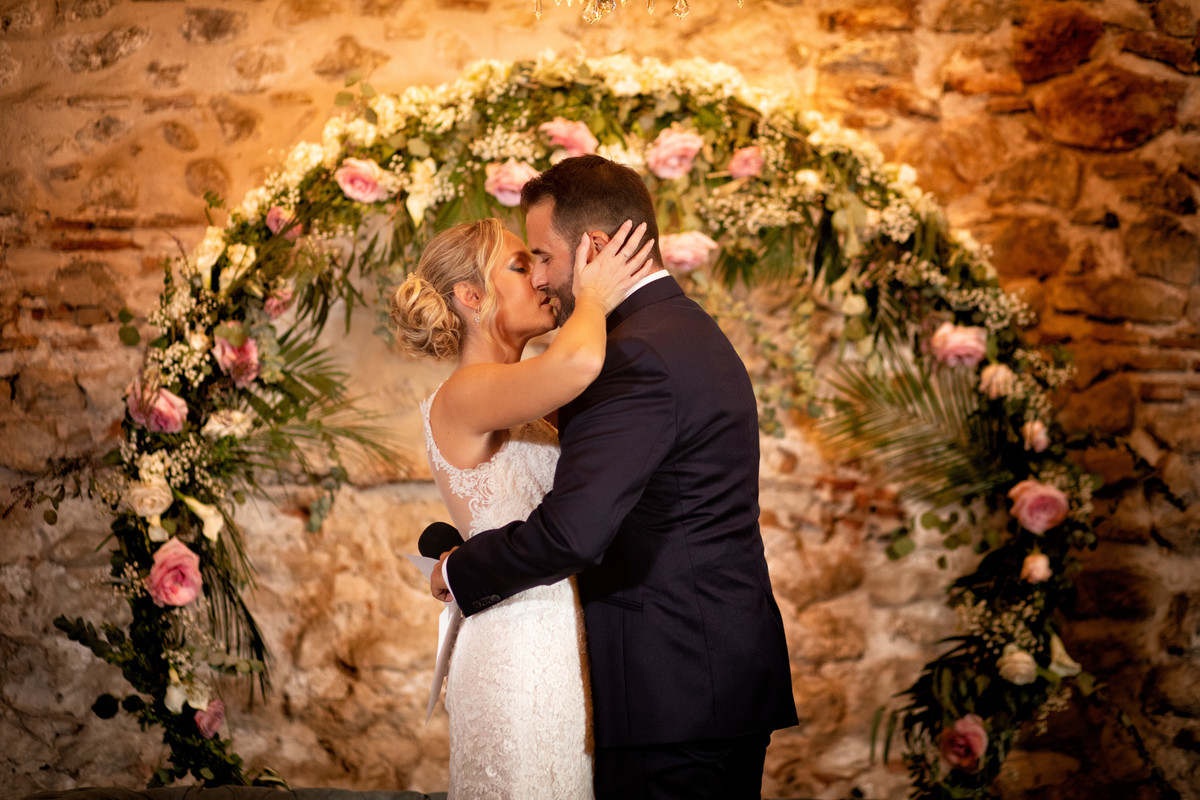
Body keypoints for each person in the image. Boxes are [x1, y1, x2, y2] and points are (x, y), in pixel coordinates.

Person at [432, 155, 798, 800]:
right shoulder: (677, 330)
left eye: (541, 256)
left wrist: (460, 570)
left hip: (674, 682)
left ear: (594, 248)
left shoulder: (631, 355)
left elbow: (573, 531)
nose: (542, 277)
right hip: (690, 674)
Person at [390, 215, 656, 798]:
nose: (541, 277)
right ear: (470, 297)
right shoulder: (465, 390)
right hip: (517, 647)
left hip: (568, 643)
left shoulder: (527, 395)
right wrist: (596, 292)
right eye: (520, 265)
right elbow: (580, 362)